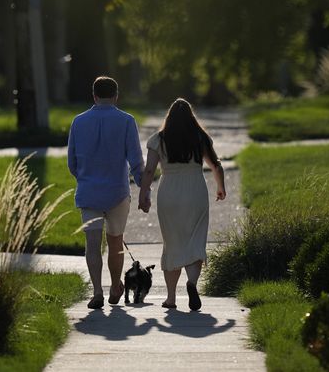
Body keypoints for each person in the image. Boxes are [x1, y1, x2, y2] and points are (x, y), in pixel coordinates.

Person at [138, 98, 226, 310]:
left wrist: (144, 194)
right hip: (195, 190)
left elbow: (149, 170)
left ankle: (171, 298)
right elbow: (215, 165)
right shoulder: (200, 137)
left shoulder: (158, 139)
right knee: (195, 241)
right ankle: (192, 283)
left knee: (172, 243)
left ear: (169, 118)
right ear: (191, 118)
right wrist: (220, 187)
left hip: (169, 192)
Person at [68, 76, 144, 309]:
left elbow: (72, 162)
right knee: (115, 243)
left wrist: (84, 178)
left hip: (89, 192)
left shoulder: (78, 122)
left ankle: (97, 292)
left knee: (92, 244)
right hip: (117, 193)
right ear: (116, 96)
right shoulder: (126, 121)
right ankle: (114, 286)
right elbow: (135, 160)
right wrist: (144, 188)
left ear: (94, 95)